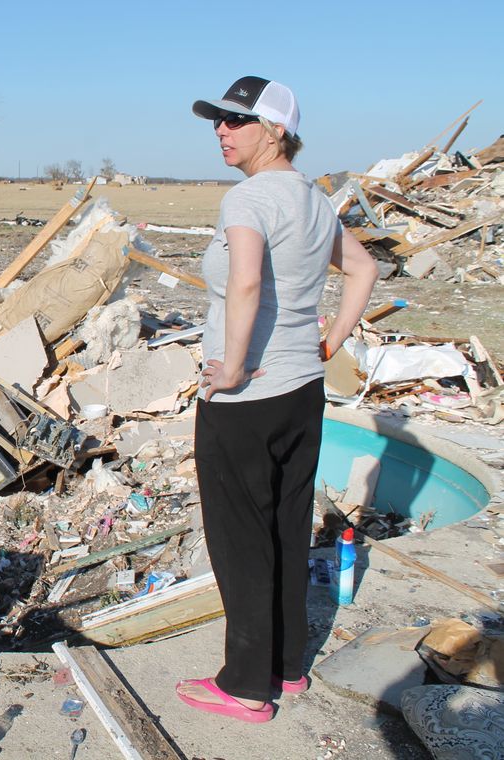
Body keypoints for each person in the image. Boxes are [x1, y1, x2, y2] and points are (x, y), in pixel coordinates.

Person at [175, 77, 378, 722]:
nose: (221, 132)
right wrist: (331, 339)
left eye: (236, 121)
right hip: (301, 392)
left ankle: (245, 687)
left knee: (241, 541)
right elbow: (365, 269)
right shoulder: (315, 200)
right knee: (288, 528)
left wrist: (232, 369)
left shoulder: (249, 200)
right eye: (217, 121)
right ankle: (288, 670)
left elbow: (244, 285)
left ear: (276, 131)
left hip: (247, 400)